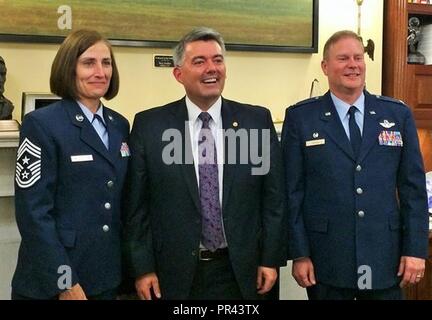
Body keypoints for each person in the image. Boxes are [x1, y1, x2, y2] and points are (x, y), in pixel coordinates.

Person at [123, 27, 286, 300]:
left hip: (243, 273)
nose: (212, 68)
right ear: (178, 74)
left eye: (218, 60)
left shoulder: (255, 121)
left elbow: (274, 199)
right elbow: (136, 209)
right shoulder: (149, 126)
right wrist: (142, 268)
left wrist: (270, 259)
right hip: (173, 275)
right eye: (199, 61)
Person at [281, 30, 429, 300]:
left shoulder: (396, 114)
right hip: (327, 260)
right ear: (325, 67)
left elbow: (413, 190)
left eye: (358, 58)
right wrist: (299, 253)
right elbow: (292, 192)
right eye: (343, 58)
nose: (353, 64)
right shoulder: (302, 118)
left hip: (386, 258)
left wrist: (416, 250)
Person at [12, 29, 130, 300]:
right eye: (88, 63)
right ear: (69, 68)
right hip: (54, 281)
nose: (100, 72)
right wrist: (64, 282)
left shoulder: (119, 125)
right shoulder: (42, 124)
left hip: (104, 277)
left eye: (107, 63)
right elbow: (33, 215)